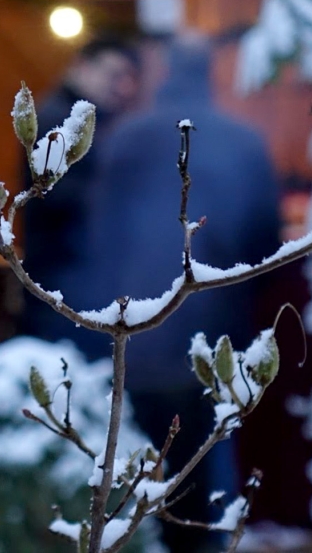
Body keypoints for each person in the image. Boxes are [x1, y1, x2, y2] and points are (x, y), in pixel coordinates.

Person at [90, 31, 282, 553]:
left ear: (166, 73)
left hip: (138, 333)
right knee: (210, 464)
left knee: (141, 471)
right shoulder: (241, 140)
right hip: (216, 334)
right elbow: (267, 243)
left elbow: (99, 238)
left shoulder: (126, 139)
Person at [19, 34, 142, 344]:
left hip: (72, 278)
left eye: (129, 78)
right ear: (83, 67)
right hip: (60, 278)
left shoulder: (87, 119)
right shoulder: (59, 122)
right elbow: (59, 197)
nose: (123, 86)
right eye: (114, 74)